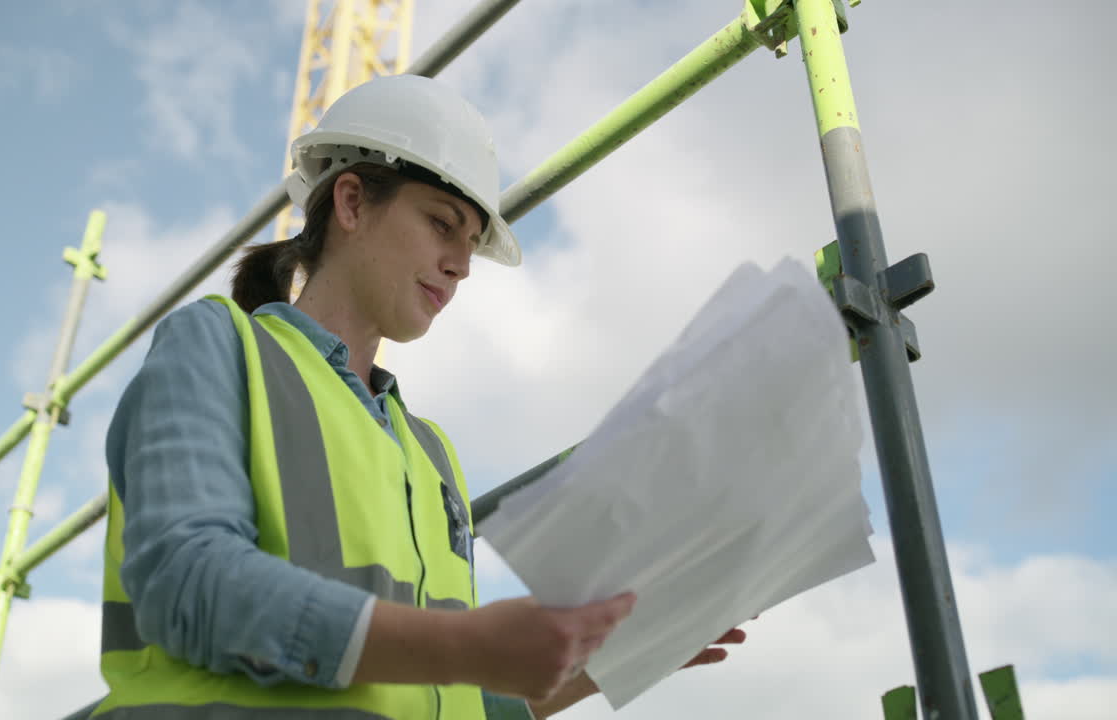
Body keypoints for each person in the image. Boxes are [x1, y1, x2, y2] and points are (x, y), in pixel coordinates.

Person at [89, 74, 744, 720]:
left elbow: (447, 699)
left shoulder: (431, 456)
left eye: (471, 243)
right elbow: (185, 584)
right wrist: (463, 646)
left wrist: (611, 657)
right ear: (350, 203)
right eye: (442, 224)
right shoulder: (218, 346)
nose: (461, 263)